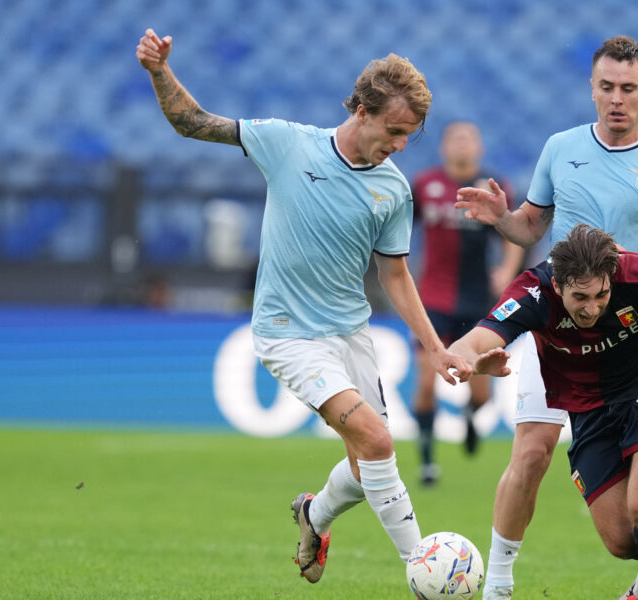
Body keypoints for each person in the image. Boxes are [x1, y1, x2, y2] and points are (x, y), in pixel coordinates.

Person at [136, 29, 472, 586]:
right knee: (379, 441)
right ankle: (424, 572)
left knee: (370, 470)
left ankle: (313, 516)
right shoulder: (287, 143)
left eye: (410, 136)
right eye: (394, 131)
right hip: (288, 333)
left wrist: (434, 349)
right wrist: (158, 70)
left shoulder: (393, 188)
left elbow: (394, 274)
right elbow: (191, 121)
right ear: (362, 111)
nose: (400, 146)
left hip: (351, 334)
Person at [455, 35, 638, 598]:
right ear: (591, 90)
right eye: (606, 88)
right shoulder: (560, 148)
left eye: (628, 89)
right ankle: (497, 584)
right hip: (557, 333)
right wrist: (501, 219)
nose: (616, 99)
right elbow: (530, 227)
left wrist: (621, 283)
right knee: (533, 451)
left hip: (629, 340)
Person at [449, 224, 638, 600]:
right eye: (580, 298)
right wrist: (472, 363)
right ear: (557, 286)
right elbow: (470, 343)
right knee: (623, 541)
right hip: (588, 409)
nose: (592, 308)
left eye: (602, 294)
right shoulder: (532, 293)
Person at [411, 121, 524, 485]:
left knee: (481, 393)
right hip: (431, 298)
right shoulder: (424, 186)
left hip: (478, 301)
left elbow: (513, 234)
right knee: (427, 382)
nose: (461, 146)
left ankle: (471, 417)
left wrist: (506, 270)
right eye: (455, 139)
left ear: (479, 148)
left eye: (468, 140)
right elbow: (396, 228)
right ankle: (428, 462)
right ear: (443, 148)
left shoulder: (493, 188)